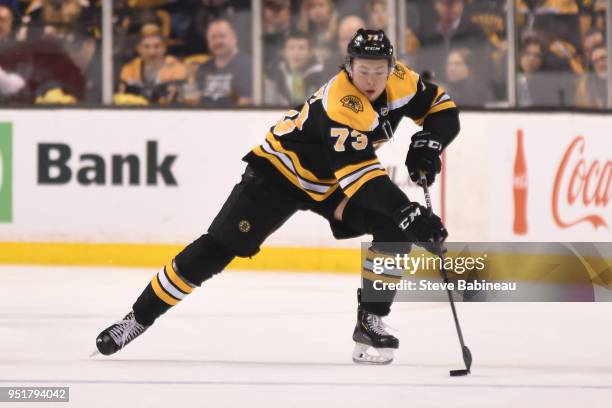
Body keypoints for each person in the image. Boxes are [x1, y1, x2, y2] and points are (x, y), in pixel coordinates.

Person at [95, 29, 459, 365]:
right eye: (363, 70)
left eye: (379, 70)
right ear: (348, 67)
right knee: (218, 248)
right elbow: (363, 179)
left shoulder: (402, 80)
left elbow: (442, 108)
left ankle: (371, 323)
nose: (371, 80)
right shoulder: (341, 103)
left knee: (391, 227)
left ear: (392, 68)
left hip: (328, 183)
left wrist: (429, 142)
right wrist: (409, 211)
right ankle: (136, 319)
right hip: (278, 174)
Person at [117, 26, 186, 105]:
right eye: (146, 46)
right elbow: (121, 96)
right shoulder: (129, 68)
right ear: (139, 48)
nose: (152, 52)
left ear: (164, 48)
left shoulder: (177, 68)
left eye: (157, 46)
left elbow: (177, 99)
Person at [264, 30, 325, 106]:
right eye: (291, 48)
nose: (296, 52)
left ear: (310, 53)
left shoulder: (320, 75)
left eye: (301, 48)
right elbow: (268, 105)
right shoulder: (274, 74)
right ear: (284, 52)